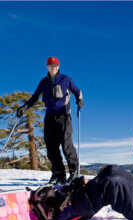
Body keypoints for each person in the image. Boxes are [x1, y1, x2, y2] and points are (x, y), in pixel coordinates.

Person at [17, 56, 84, 184]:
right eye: (51, 66)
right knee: (51, 147)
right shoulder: (43, 82)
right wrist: (24, 107)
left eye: (55, 66)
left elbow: (77, 91)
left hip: (64, 116)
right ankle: (58, 174)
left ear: (58, 67)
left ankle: (74, 172)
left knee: (66, 145)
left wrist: (79, 100)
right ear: (47, 67)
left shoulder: (66, 79)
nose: (53, 68)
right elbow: (35, 97)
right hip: (49, 117)